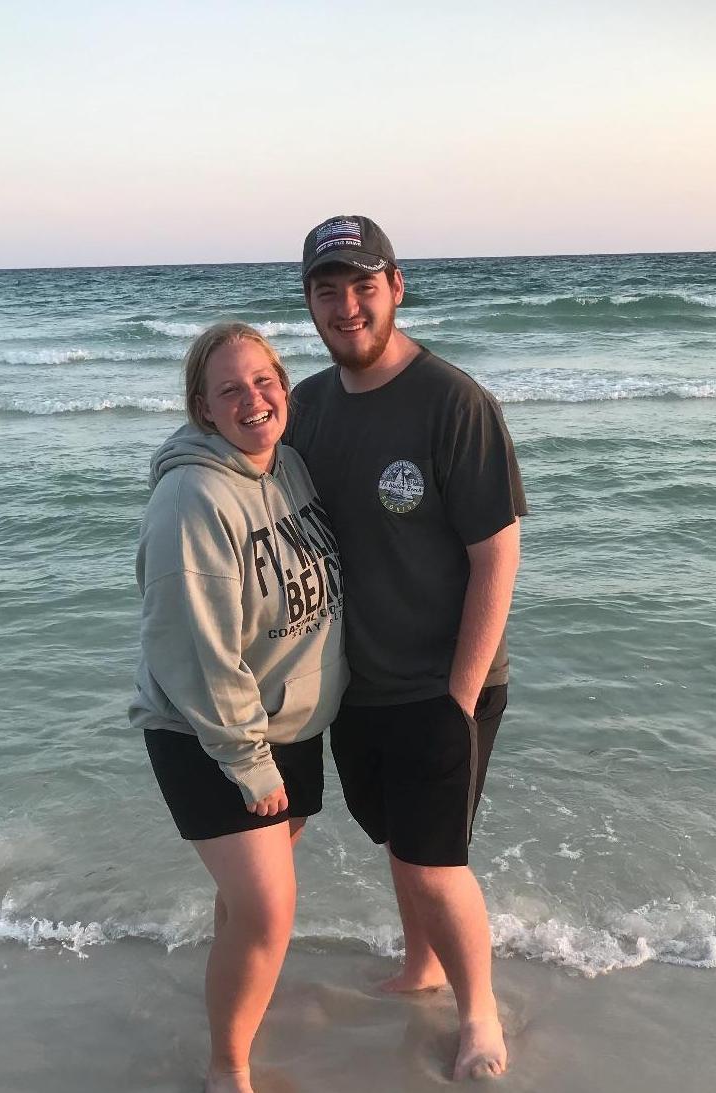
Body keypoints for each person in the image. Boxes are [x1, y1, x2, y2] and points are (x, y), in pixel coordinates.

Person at [286, 216, 525, 1082]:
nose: (345, 306)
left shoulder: (453, 402)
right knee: (397, 839)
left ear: (395, 285)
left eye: (362, 285)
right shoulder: (306, 406)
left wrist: (455, 700)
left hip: (442, 681)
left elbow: (496, 553)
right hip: (352, 683)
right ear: (309, 302)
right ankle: (421, 965)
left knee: (433, 861)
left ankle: (479, 1015)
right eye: (327, 290)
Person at [129, 322, 347, 1093]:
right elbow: (194, 651)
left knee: (246, 904)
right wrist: (249, 763)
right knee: (266, 911)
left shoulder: (287, 465)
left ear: (284, 386)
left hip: (286, 723)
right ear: (203, 408)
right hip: (210, 734)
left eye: (264, 381)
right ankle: (227, 1068)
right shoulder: (191, 497)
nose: (253, 399)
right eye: (230, 390)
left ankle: (238, 1022)